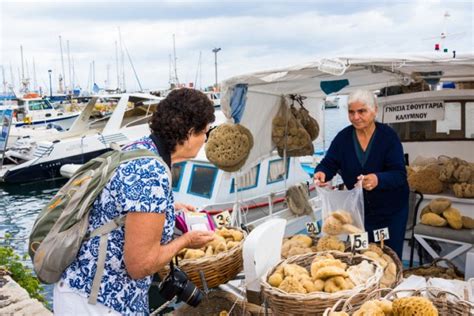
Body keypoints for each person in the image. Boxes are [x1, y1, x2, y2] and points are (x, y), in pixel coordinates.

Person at [54, 88, 216, 315]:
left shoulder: (140, 149)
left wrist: (170, 207)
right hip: (100, 303)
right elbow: (140, 266)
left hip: (80, 291)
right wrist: (186, 241)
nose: (205, 139)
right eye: (205, 133)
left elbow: (124, 207)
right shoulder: (151, 173)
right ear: (189, 133)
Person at [314, 89, 409, 258]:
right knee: (362, 255)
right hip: (359, 213)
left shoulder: (388, 137)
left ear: (374, 110)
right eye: (351, 112)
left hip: (390, 212)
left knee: (389, 257)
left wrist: (378, 179)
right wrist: (321, 173)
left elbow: (399, 174)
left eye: (361, 111)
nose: (355, 117)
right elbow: (329, 163)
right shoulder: (343, 138)